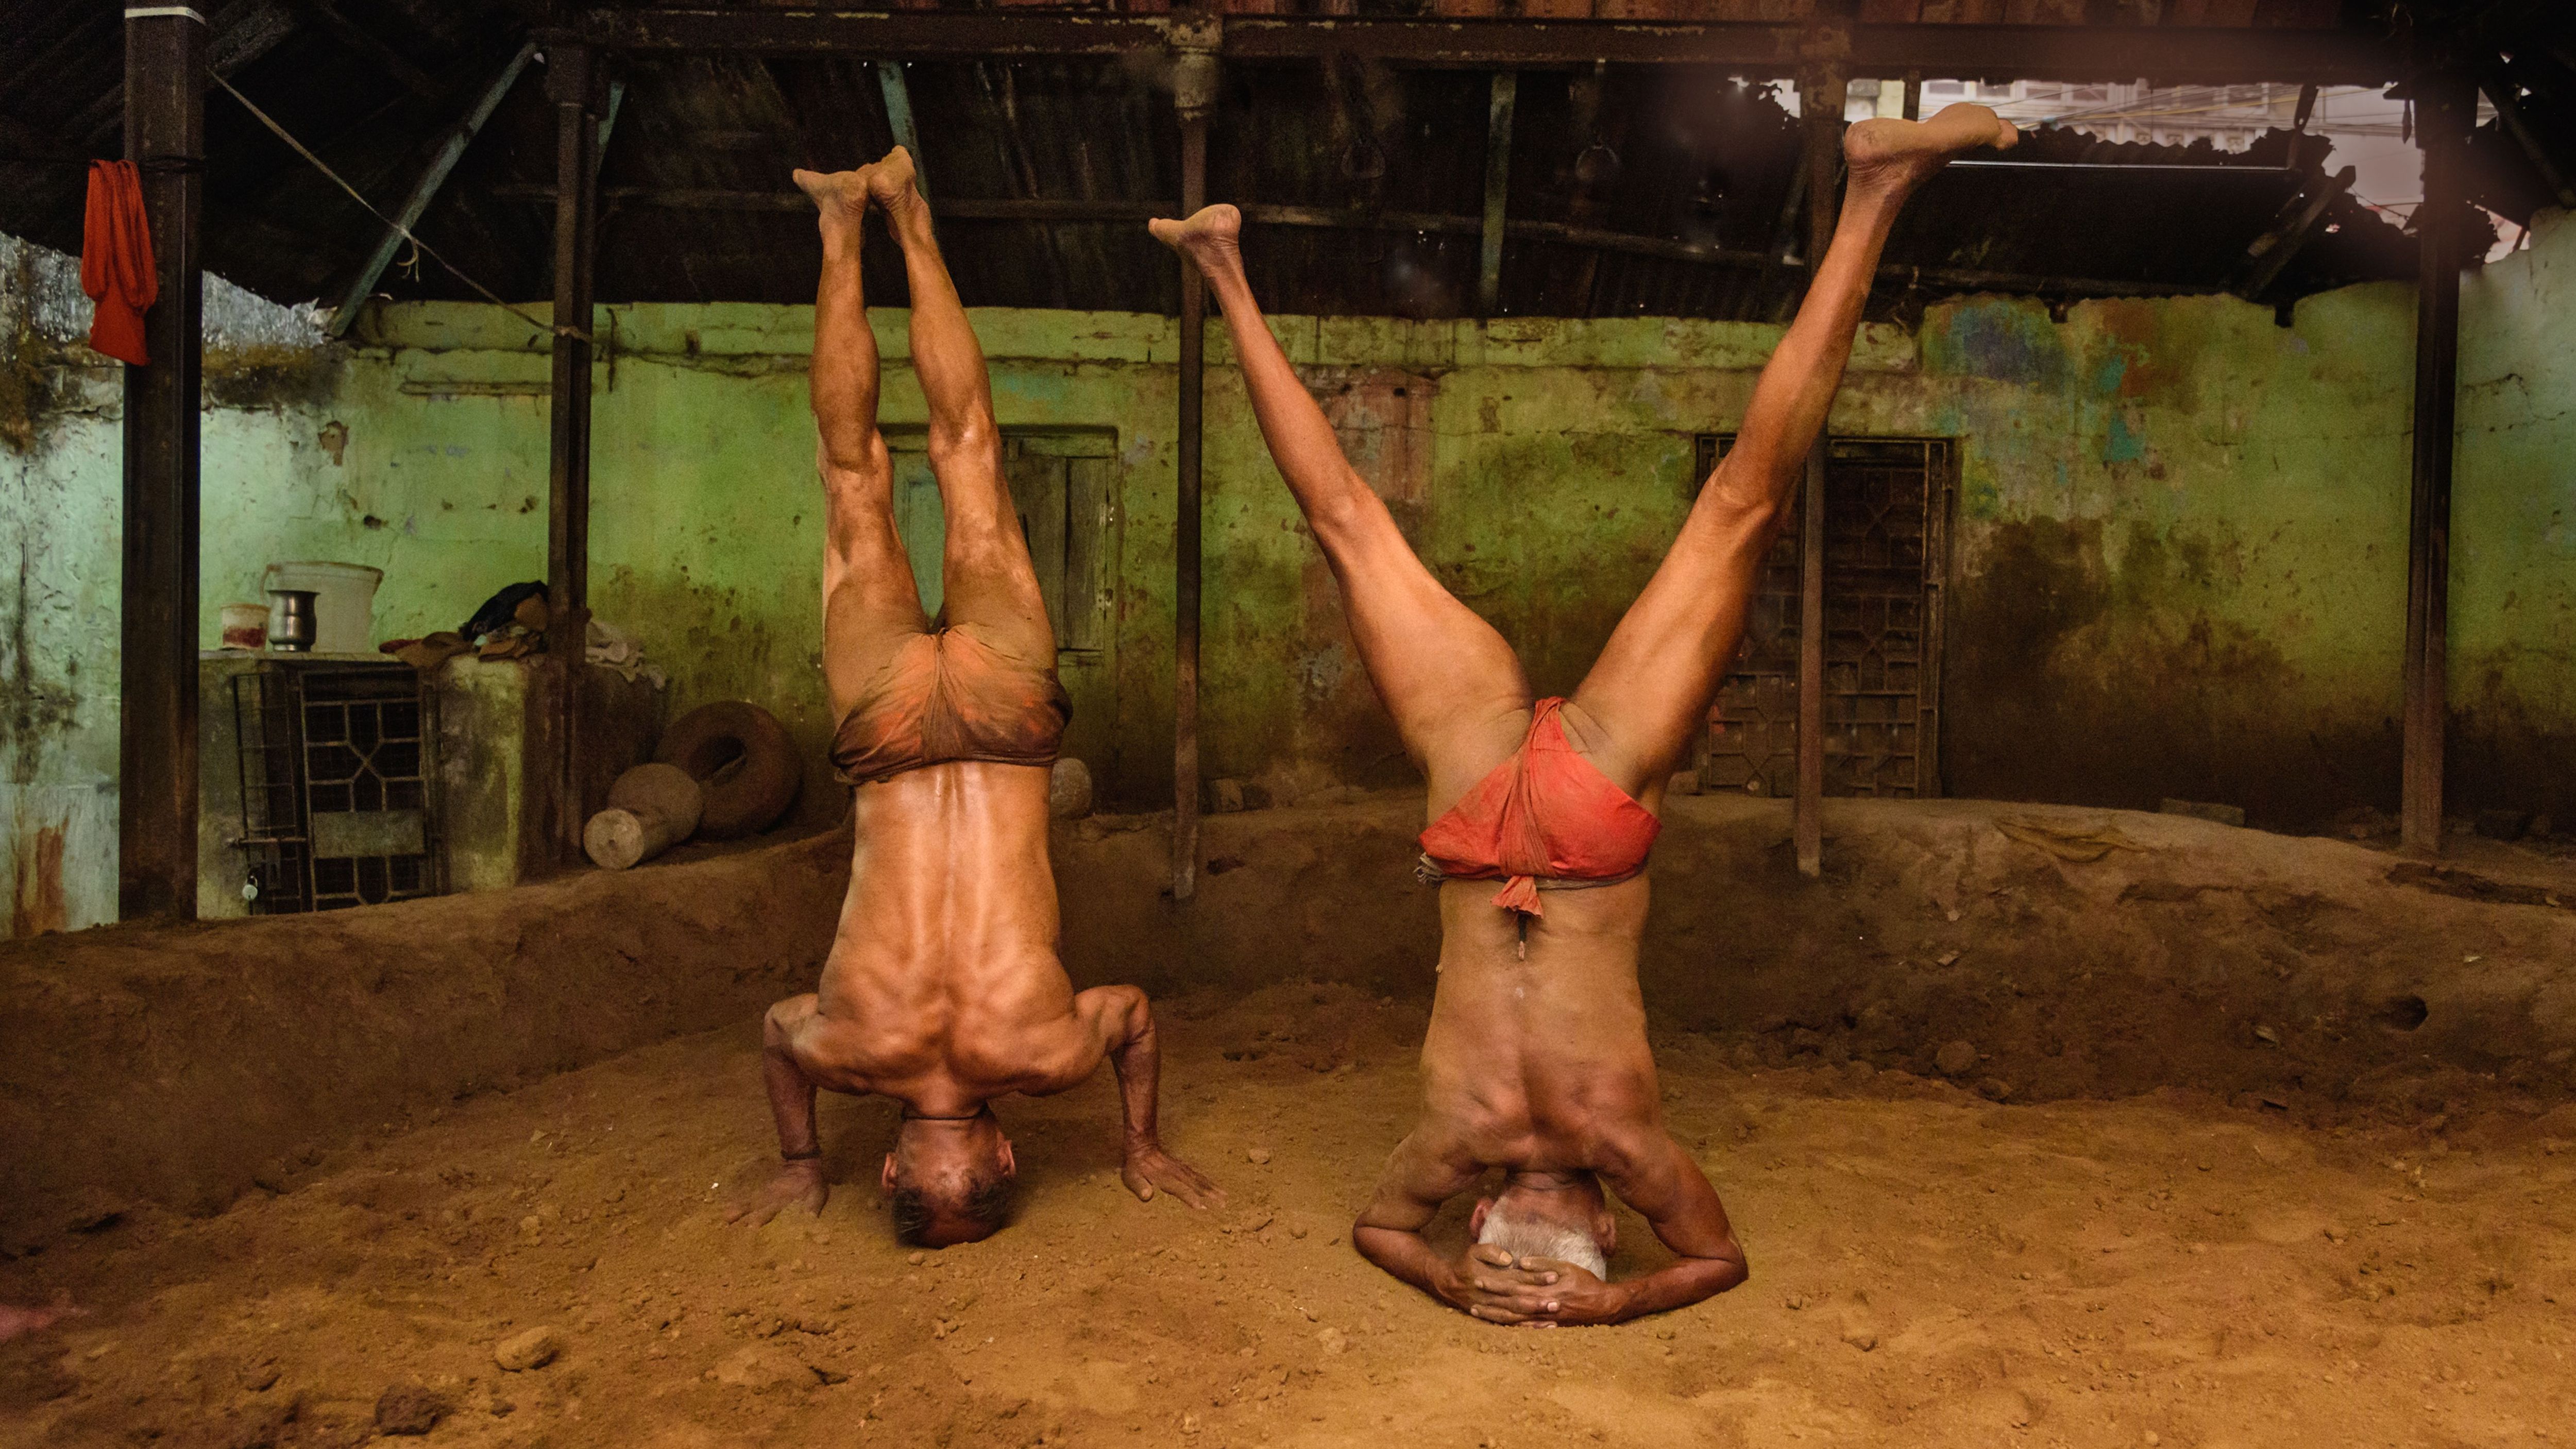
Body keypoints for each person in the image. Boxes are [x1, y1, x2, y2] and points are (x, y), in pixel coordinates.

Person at [1149, 105, 2017, 1323]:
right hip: (1593, 812)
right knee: (1739, 510)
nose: (1525, 1255)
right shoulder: (1632, 1154)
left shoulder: (1445, 1158)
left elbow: (1377, 1228)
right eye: (1557, 1263)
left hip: (1472, 815)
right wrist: (1620, 1307)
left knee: (1347, 527)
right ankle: (1876, 190)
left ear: (1483, 1214)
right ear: (1609, 1226)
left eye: (1508, 1255)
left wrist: (1447, 1282)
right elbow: (1716, 1261)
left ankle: (1221, 266)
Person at [731, 148, 1222, 1248]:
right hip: (889, 733)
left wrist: (1136, 1140)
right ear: (899, 1161)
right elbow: (775, 1034)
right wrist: (805, 1155)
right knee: (852, 472)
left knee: (967, 454)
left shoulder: (1043, 1059)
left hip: (1006, 731)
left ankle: (907, 204)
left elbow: (1133, 1016)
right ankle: (842, 222)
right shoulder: (845, 1054)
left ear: (1000, 1152)